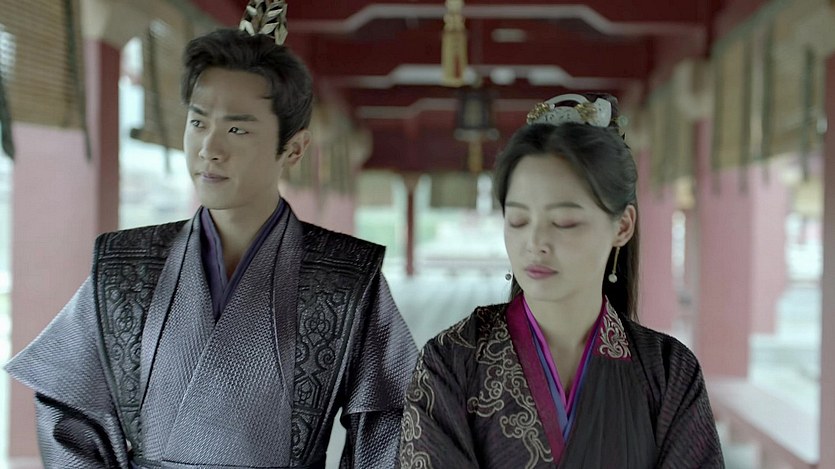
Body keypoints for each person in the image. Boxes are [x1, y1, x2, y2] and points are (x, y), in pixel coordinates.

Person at [6, 1, 417, 467]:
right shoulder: (126, 264)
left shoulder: (347, 274)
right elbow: (68, 405)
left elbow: (391, 419)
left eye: (237, 129)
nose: (209, 148)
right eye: (198, 122)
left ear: (294, 148)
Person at [399, 93, 724, 468]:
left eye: (564, 222)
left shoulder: (667, 372)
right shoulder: (452, 361)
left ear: (622, 226)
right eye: (518, 220)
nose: (535, 242)